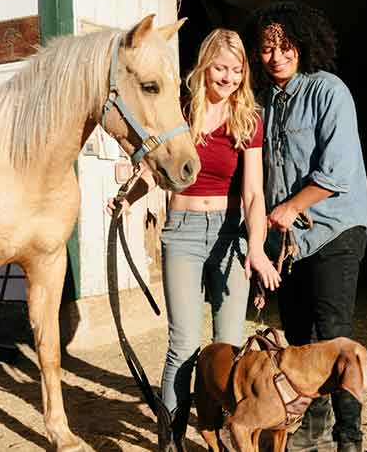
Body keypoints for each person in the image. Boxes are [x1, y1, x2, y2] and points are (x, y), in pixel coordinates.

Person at [108, 28, 282, 446]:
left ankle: (222, 436)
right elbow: (156, 169)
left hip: (229, 235)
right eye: (220, 68)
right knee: (183, 344)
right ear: (204, 66)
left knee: (228, 348)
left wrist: (256, 249)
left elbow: (254, 192)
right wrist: (128, 197)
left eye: (237, 70)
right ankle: (170, 440)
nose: (228, 78)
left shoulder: (249, 118)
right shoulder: (182, 109)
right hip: (182, 234)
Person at [241, 1, 367, 452]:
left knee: (333, 332)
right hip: (289, 239)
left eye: (286, 45)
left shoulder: (328, 91)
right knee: (297, 340)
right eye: (266, 49)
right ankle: (308, 432)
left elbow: (337, 172)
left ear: (304, 44)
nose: (276, 56)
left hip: (336, 225)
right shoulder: (261, 105)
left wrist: (293, 206)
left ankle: (348, 437)